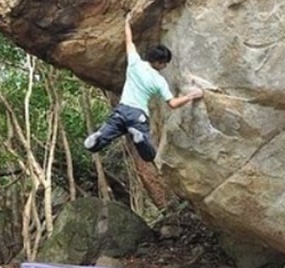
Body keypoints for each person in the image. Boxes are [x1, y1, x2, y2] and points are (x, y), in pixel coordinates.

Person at [84, 11, 203, 162]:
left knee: (98, 144)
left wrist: (127, 21)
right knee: (149, 156)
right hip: (137, 115)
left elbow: (129, 41)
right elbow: (173, 103)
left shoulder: (135, 63)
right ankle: (139, 137)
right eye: (164, 63)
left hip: (121, 110)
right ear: (159, 62)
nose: (165, 66)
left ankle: (100, 136)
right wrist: (192, 95)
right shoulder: (158, 80)